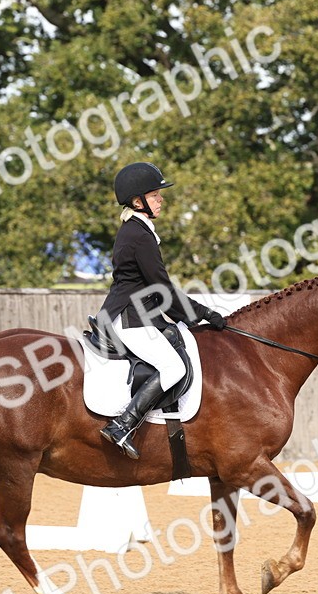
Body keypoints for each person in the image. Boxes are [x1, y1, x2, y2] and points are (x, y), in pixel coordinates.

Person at [95, 162, 227, 459]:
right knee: (174, 367)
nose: (161, 199)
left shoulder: (138, 231)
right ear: (138, 201)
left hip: (138, 314)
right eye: (155, 195)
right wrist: (202, 314)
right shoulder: (138, 235)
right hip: (131, 318)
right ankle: (122, 426)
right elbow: (162, 288)